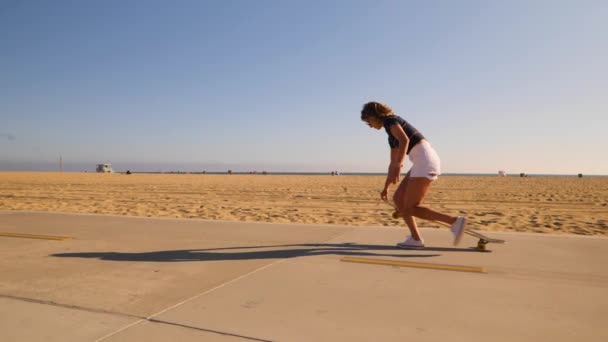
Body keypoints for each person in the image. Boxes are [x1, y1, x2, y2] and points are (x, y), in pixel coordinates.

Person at [361, 101, 467, 248]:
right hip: (420, 162)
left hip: (426, 161)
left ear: (374, 116)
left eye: (369, 122)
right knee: (398, 200)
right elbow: (392, 164)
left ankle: (454, 221)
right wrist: (386, 187)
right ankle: (416, 239)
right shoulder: (390, 135)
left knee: (411, 207)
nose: (370, 126)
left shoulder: (391, 120)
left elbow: (405, 140)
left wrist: (399, 164)